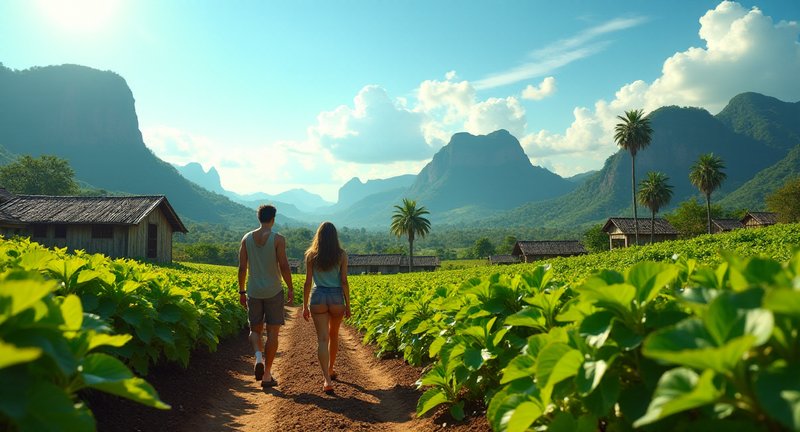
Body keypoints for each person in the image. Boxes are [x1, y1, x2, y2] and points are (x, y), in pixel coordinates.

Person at [238, 204, 294, 388]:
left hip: (253, 291)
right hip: (273, 291)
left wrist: (242, 291)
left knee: (255, 331)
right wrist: (291, 287)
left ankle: (258, 357)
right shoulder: (278, 239)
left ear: (259, 218)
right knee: (273, 333)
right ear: (273, 219)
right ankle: (268, 375)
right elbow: (284, 266)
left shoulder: (246, 239)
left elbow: (242, 267)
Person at [302, 221, 351, 395]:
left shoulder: (311, 255)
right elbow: (344, 281)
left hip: (318, 297)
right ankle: (330, 368)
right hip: (337, 297)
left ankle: (326, 380)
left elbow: (308, 282)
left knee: (322, 339)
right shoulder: (342, 255)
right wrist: (348, 305)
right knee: (334, 334)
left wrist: (304, 305)